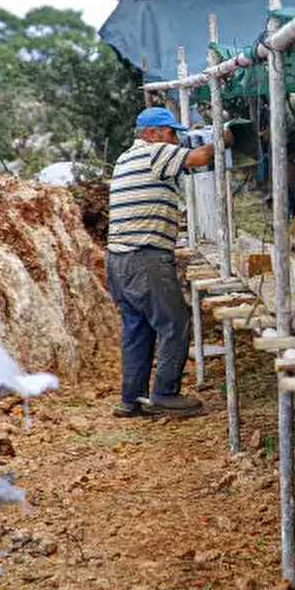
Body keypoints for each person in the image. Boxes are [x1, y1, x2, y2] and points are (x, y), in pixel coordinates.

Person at [106, 106, 231, 418]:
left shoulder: (126, 158)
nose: (176, 140)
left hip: (118, 259)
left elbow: (186, 164)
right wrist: (225, 138)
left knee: (137, 328)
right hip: (144, 257)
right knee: (174, 322)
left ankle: (130, 398)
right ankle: (165, 394)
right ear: (152, 134)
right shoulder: (154, 152)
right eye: (172, 133)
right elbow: (200, 159)